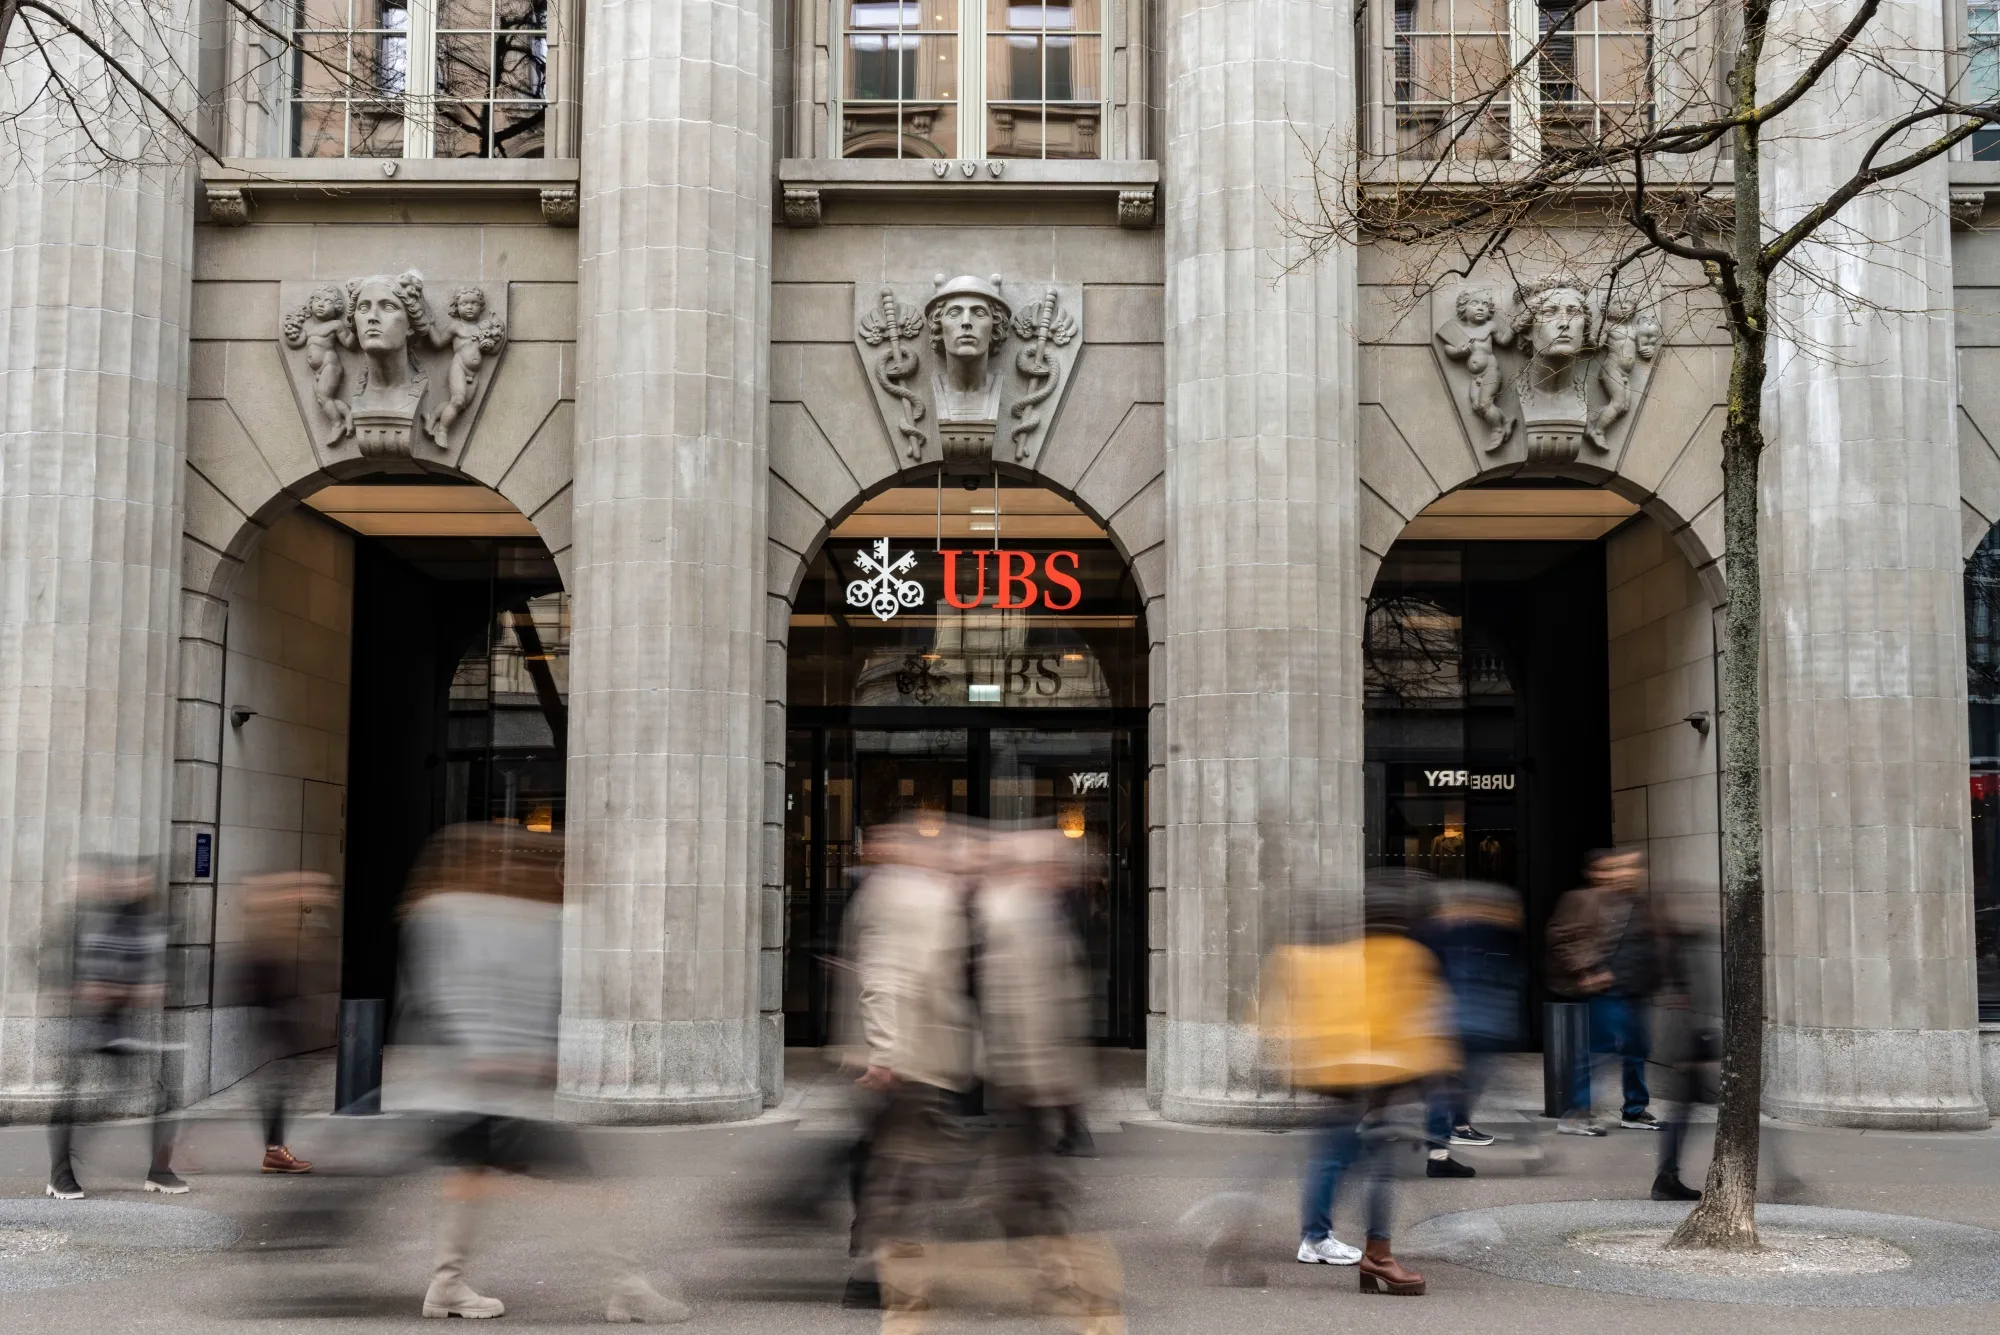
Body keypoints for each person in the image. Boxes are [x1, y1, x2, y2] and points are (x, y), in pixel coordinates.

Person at [399, 821, 686, 1323]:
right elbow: (447, 995)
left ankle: (447, 1285)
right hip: (486, 1089)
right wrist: (492, 1054)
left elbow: (520, 998)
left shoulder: (495, 914)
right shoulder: (449, 914)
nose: (508, 866)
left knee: (470, 1183)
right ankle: (627, 1287)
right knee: (594, 1190)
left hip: (486, 1090)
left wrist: (542, 1056)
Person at [1264, 868, 1459, 1297]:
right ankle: (1368, 1254)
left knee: (1335, 1156)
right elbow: (1414, 1022)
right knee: (1367, 1163)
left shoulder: (1349, 953)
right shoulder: (1399, 955)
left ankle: (1338, 1244)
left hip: (1344, 1075)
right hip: (1374, 1077)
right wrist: (1435, 1072)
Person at [843, 816, 981, 1320]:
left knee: (889, 1158)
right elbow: (883, 976)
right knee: (897, 1166)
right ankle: (875, 1269)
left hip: (919, 1057)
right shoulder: (903, 895)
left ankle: (873, 1256)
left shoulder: (925, 893)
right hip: (908, 1061)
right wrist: (885, 1053)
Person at [45, 856, 187, 1200]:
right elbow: (83, 976)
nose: (138, 885)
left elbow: (150, 971)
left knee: (162, 1096)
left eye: (144, 880)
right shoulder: (92, 919)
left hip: (120, 1024)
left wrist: (146, 987)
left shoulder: (146, 922)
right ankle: (60, 1173)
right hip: (86, 1022)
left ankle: (159, 1170)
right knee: (75, 1101)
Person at [1546, 848, 1662, 1137]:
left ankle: (1634, 1111)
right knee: (1600, 1051)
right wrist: (1589, 969)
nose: (1623, 874)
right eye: (1616, 869)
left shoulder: (1640, 904)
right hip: (1607, 989)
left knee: (1637, 1050)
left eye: (1629, 868)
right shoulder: (1582, 900)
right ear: (1596, 873)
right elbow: (1562, 937)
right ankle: (1576, 1114)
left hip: (1635, 990)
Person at [1417, 879, 1525, 1178]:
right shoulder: (1453, 934)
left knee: (1454, 1085)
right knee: (1451, 1086)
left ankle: (1444, 1143)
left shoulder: (1455, 933)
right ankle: (1441, 1147)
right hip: (1461, 1023)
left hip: (1464, 1022)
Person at [241, 870, 338, 1174]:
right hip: (276, 1016)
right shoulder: (270, 932)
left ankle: (275, 1147)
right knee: (280, 1085)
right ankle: (274, 1150)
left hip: (282, 1015)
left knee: (283, 1084)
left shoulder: (279, 930)